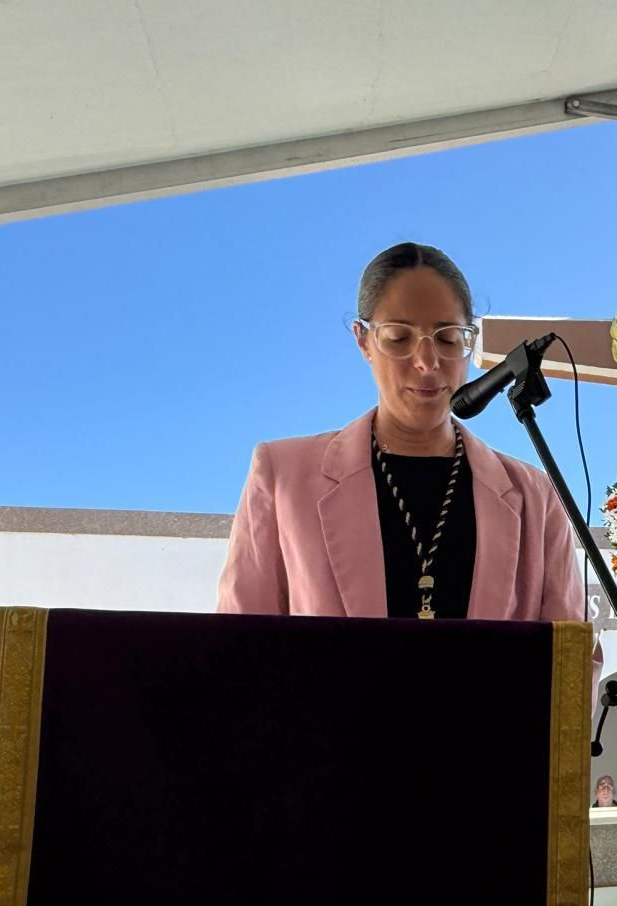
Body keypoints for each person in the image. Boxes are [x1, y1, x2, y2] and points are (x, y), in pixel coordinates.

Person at [217, 242, 586, 628]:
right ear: (363, 341)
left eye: (447, 338)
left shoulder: (536, 498)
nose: (427, 362)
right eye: (398, 338)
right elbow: (239, 648)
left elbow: (571, 662)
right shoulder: (282, 478)